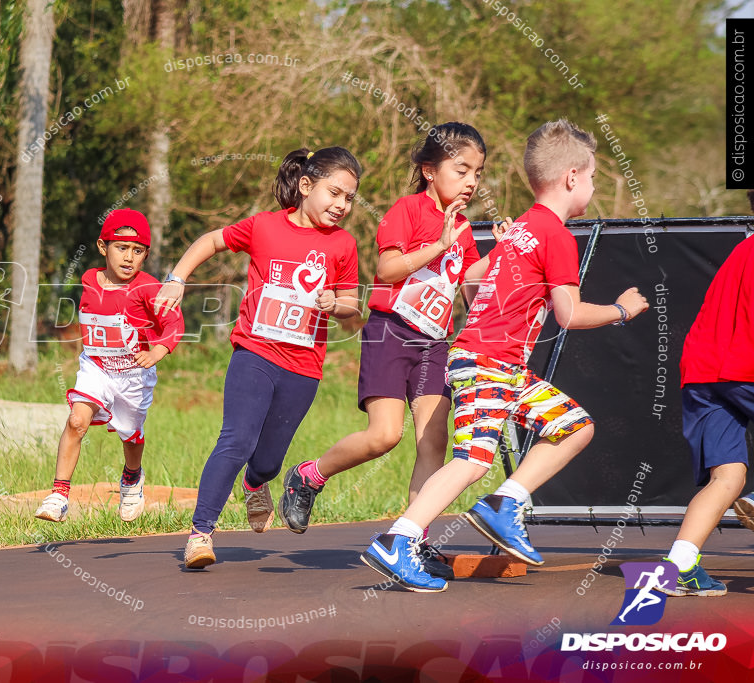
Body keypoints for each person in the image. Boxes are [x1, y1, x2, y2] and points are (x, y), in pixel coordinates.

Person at [360, 119, 649, 592]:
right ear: (572, 177)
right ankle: (399, 539)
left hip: (502, 366)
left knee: (574, 426)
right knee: (472, 460)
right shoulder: (554, 235)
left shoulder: (521, 230)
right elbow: (569, 313)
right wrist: (621, 309)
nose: (593, 187)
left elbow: (475, 285)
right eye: (594, 177)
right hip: (487, 363)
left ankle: (504, 502)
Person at [277, 123, 507, 580]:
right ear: (428, 171)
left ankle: (410, 539)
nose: (471, 181)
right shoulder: (409, 210)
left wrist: (502, 252)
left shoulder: (462, 228)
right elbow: (387, 267)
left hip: (434, 341)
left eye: (477, 173)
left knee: (434, 441)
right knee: (385, 437)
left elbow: (466, 287)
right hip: (391, 332)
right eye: (461, 170)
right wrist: (439, 244)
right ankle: (308, 474)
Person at [154, 147, 363, 569]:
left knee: (267, 461)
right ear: (306, 186)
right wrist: (177, 278)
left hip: (303, 368)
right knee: (236, 439)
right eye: (334, 193)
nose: (341, 205)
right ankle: (200, 534)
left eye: (350, 198)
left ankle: (255, 484)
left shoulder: (343, 245)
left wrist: (335, 305)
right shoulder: (265, 227)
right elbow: (211, 240)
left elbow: (353, 315)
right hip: (255, 352)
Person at [34, 208, 184, 524]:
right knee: (77, 420)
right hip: (97, 367)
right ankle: (59, 494)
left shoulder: (148, 287)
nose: (129, 257)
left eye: (138, 251)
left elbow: (174, 322)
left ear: (146, 254)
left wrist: (157, 351)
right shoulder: (89, 279)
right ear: (103, 248)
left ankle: (132, 477)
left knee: (130, 436)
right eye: (121, 248)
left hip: (134, 375)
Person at [655, 232, 754, 596]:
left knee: (728, 478)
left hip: (701, 373)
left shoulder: (741, 250)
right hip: (743, 366)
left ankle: (679, 567)